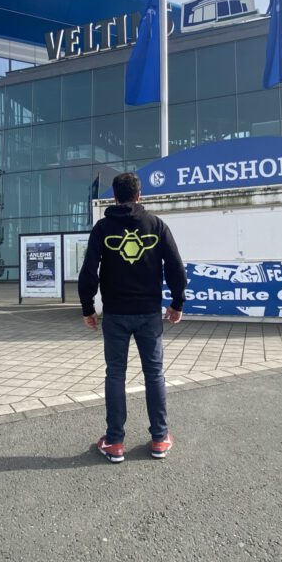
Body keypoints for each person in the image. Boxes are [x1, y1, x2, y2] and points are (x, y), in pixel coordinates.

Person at [78, 172, 188, 463]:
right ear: (140, 195)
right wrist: (177, 302)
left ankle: (114, 442)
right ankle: (160, 438)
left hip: (115, 314)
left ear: (115, 197)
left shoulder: (103, 228)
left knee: (115, 373)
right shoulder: (156, 225)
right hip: (149, 313)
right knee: (154, 373)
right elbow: (177, 268)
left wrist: (88, 307)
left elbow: (89, 271)